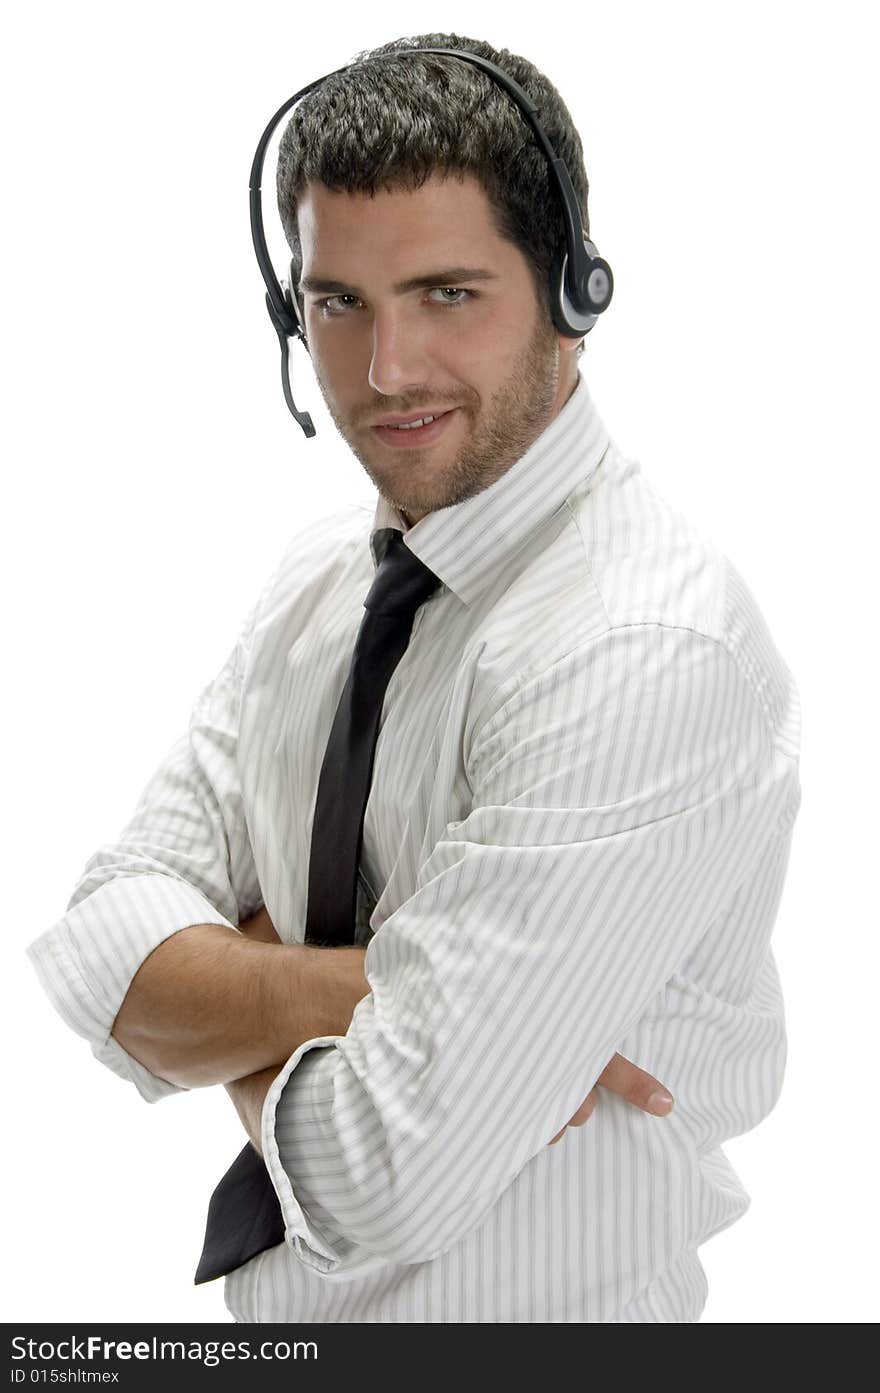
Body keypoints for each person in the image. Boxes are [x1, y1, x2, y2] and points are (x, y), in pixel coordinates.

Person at [26, 32, 802, 1323]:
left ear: (574, 292)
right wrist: (374, 986)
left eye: (448, 295)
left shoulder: (638, 644)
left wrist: (238, 976)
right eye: (337, 304)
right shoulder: (323, 579)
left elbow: (377, 1173)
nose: (385, 372)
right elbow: (109, 958)